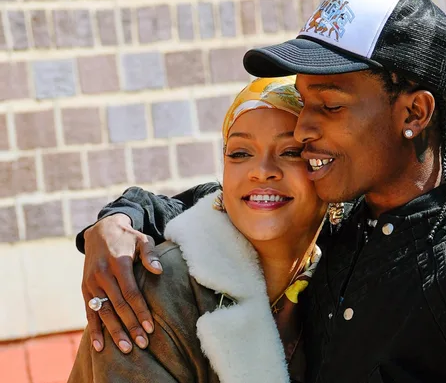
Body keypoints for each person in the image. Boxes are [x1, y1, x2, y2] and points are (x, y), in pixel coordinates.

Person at [77, 0, 446, 382]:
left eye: (331, 105)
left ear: (414, 110)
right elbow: (233, 200)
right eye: (304, 101)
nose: (304, 126)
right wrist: (120, 220)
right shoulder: (341, 215)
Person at [69, 77, 328, 383]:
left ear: (326, 166)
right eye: (241, 153)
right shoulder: (156, 290)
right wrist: (116, 218)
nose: (261, 171)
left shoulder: (353, 259)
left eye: (290, 152)